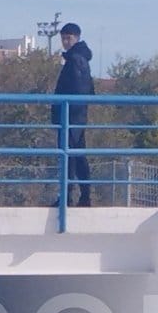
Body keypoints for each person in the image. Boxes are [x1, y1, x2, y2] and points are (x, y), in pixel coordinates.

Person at [55, 22, 96, 207]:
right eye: (63, 38)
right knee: (77, 156)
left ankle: (68, 197)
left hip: (71, 117)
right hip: (75, 116)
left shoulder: (76, 59)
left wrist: (67, 113)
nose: (65, 41)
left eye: (68, 38)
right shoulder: (78, 58)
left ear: (76, 38)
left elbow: (79, 90)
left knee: (70, 156)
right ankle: (83, 196)